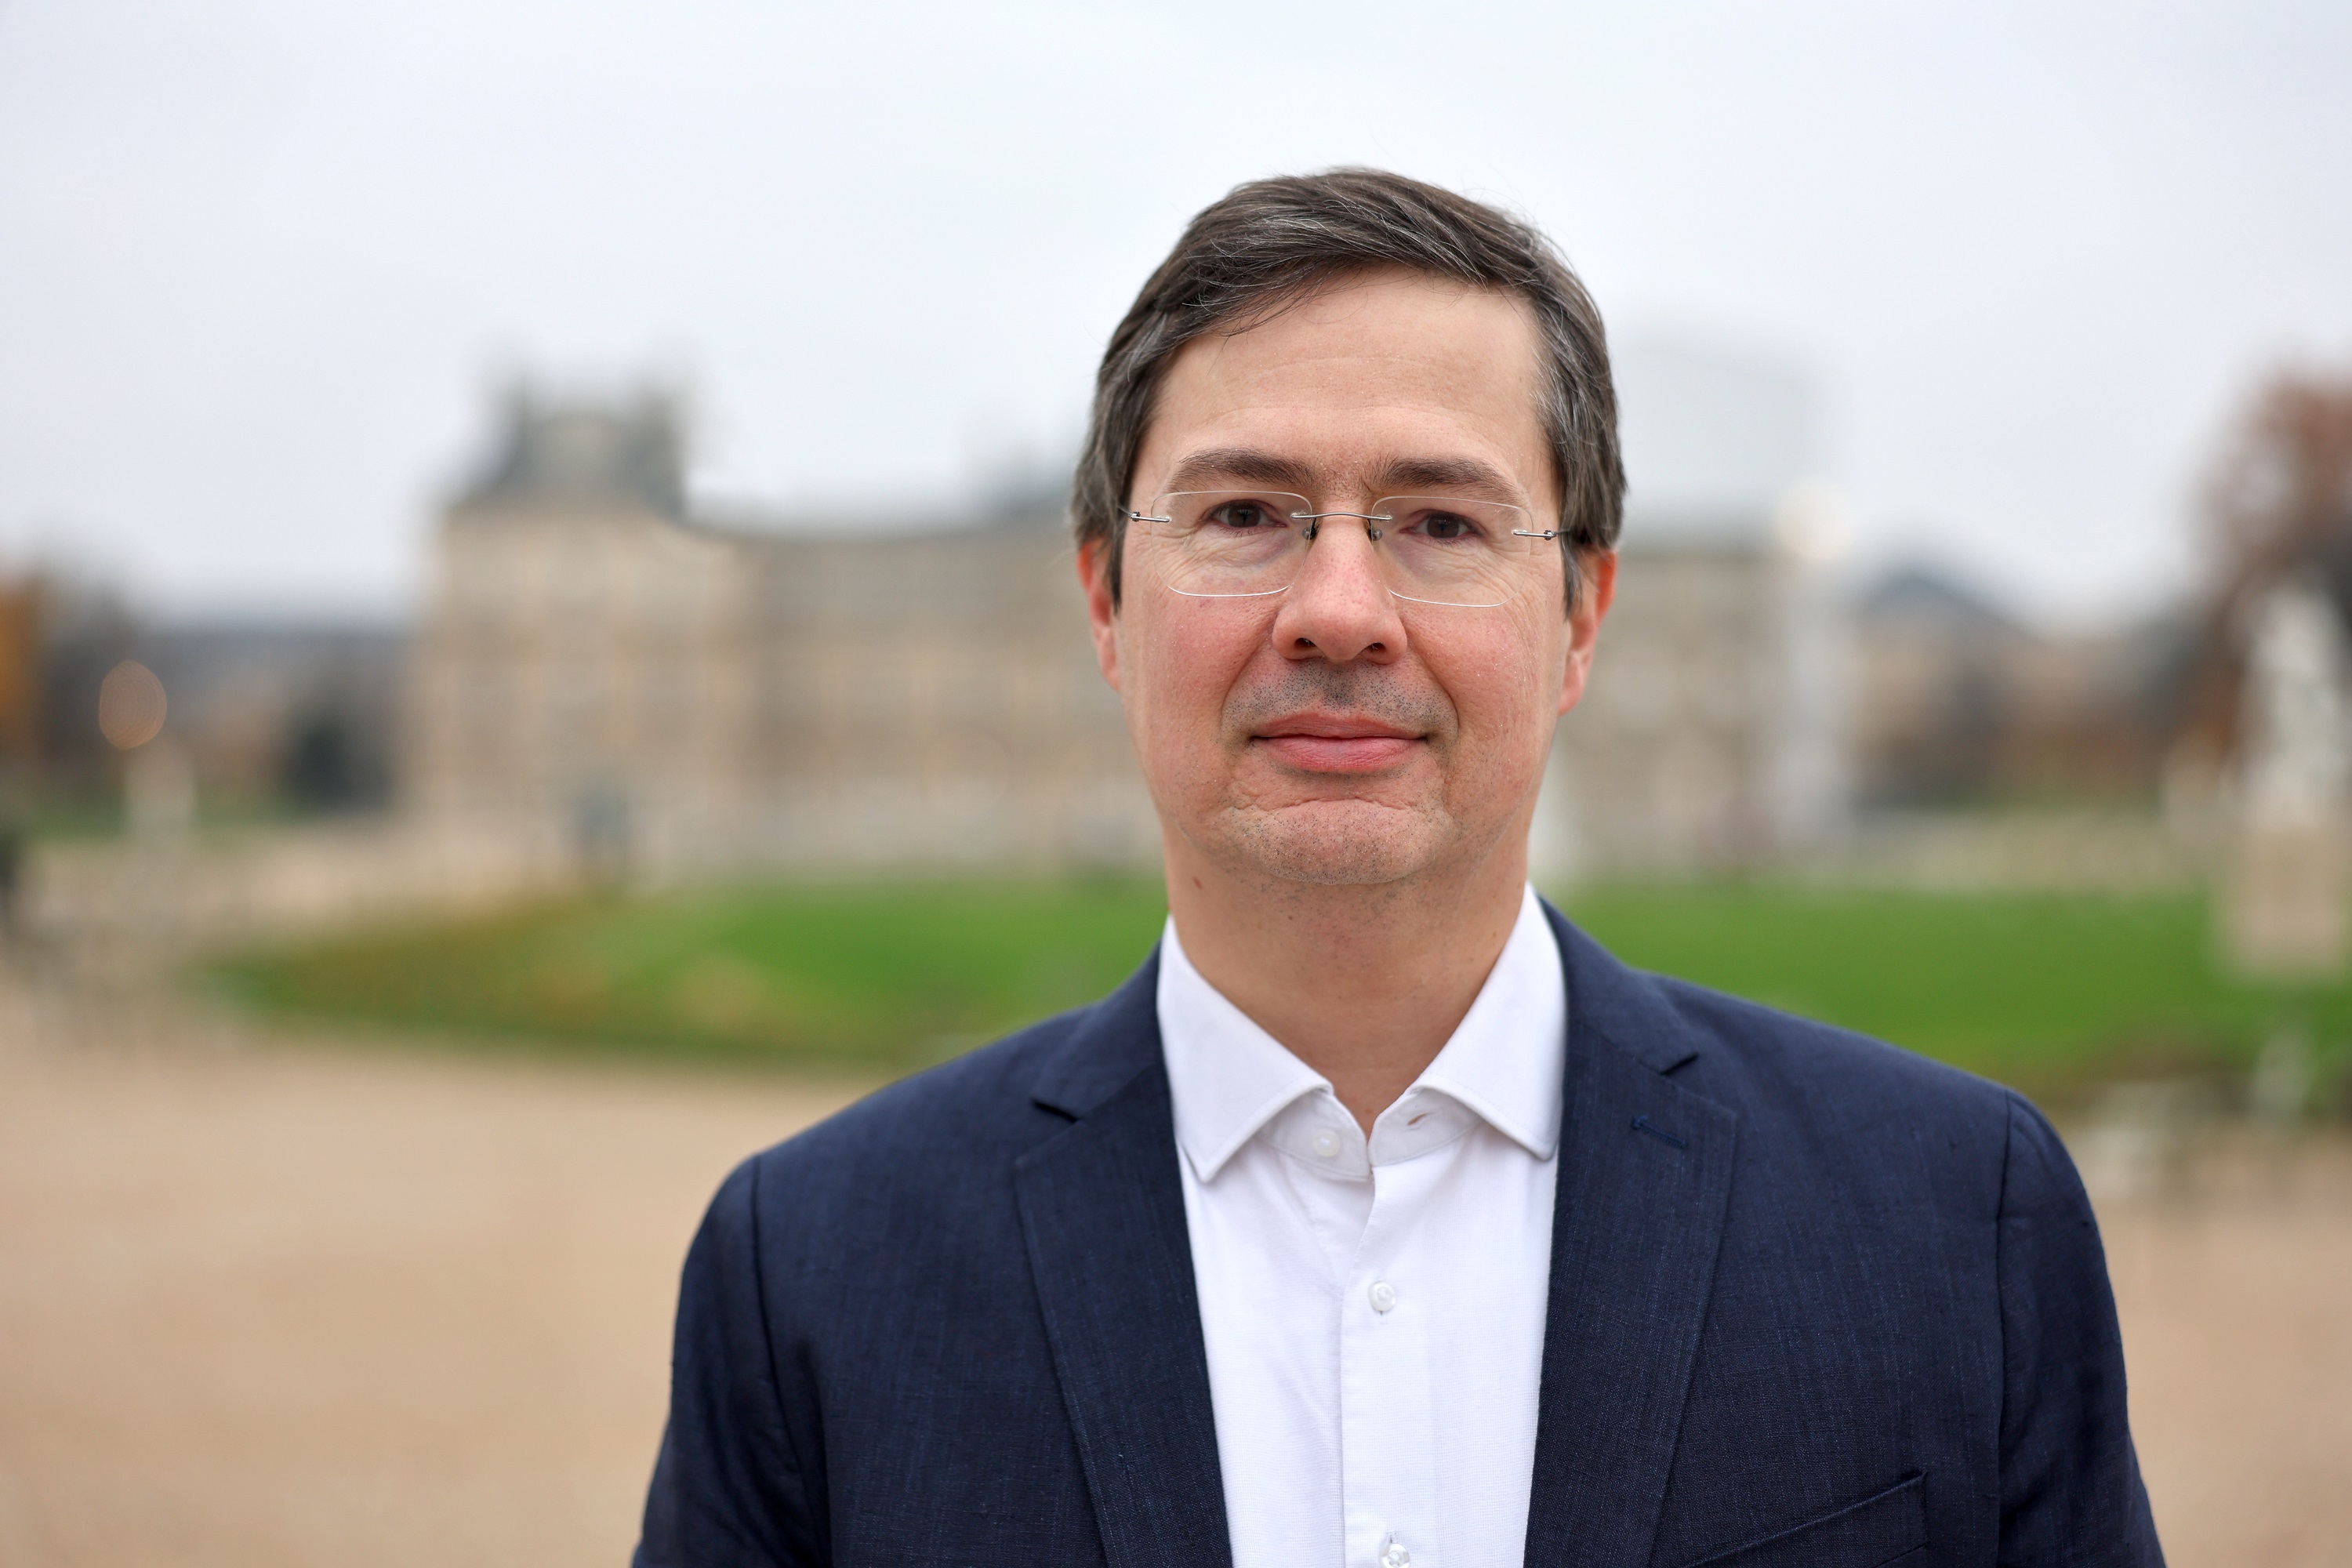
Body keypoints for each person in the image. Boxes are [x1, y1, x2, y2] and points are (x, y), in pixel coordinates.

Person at [635, 169, 2161, 1568]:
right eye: (1246, 514)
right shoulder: (807, 1276)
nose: (1341, 610)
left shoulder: (1957, 1222)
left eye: (1438, 521)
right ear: (1106, 602)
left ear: (1580, 616)